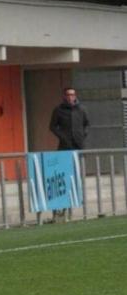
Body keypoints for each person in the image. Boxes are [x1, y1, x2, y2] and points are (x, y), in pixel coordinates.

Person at [49, 87, 90, 221]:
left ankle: (80, 205)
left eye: (72, 94)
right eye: (68, 95)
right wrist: (62, 137)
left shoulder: (81, 109)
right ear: (64, 96)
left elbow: (87, 124)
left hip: (79, 146)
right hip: (65, 147)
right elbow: (52, 126)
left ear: (75, 96)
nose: (70, 97)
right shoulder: (58, 110)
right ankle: (63, 210)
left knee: (78, 174)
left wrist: (82, 135)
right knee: (65, 176)